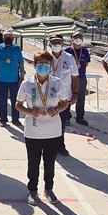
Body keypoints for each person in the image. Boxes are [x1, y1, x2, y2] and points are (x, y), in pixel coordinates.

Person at [16, 51, 69, 205]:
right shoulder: (27, 84)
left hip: (53, 131)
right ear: (34, 65)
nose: (43, 67)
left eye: (46, 64)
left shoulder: (57, 82)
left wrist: (57, 110)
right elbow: (18, 105)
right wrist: (30, 111)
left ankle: (49, 189)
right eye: (40, 64)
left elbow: (65, 102)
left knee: (49, 162)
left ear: (51, 65)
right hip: (33, 130)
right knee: (33, 162)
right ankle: (32, 190)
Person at [48, 34, 78, 156]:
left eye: (58, 42)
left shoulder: (69, 58)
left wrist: (75, 94)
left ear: (63, 43)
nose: (56, 45)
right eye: (53, 42)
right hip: (48, 97)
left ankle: (60, 145)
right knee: (49, 122)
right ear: (50, 43)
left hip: (64, 98)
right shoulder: (45, 57)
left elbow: (75, 77)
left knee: (61, 123)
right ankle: (49, 146)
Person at [0, 29, 24, 127]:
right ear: (3, 38)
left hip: (14, 80)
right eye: (6, 37)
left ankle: (15, 119)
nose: (8, 38)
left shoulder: (17, 48)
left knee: (15, 101)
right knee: (2, 100)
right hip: (1, 79)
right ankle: (3, 119)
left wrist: (22, 76)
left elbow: (21, 63)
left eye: (9, 37)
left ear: (13, 38)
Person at [66, 32, 91, 126]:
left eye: (80, 37)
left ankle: (80, 117)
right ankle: (67, 116)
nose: (78, 39)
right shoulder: (67, 51)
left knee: (80, 97)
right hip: (69, 78)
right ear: (72, 39)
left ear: (83, 39)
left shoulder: (85, 51)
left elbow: (86, 63)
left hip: (81, 77)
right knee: (68, 96)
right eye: (76, 37)